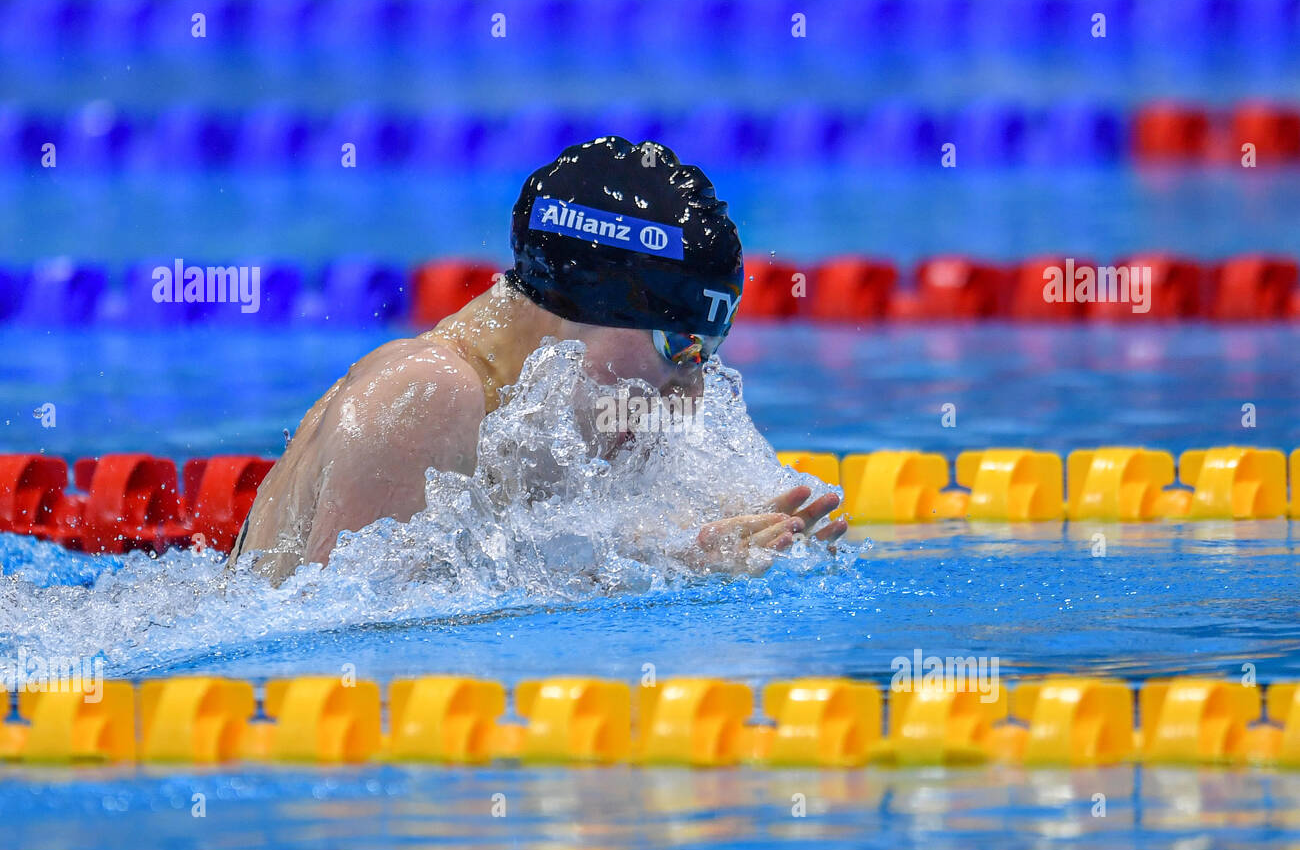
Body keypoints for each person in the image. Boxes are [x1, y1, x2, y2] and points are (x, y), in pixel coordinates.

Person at [229, 136, 846, 584]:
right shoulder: (426, 395)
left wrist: (687, 549)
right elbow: (349, 645)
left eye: (705, 359)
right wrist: (658, 576)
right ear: (590, 308)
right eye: (677, 348)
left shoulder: (516, 414)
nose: (689, 395)